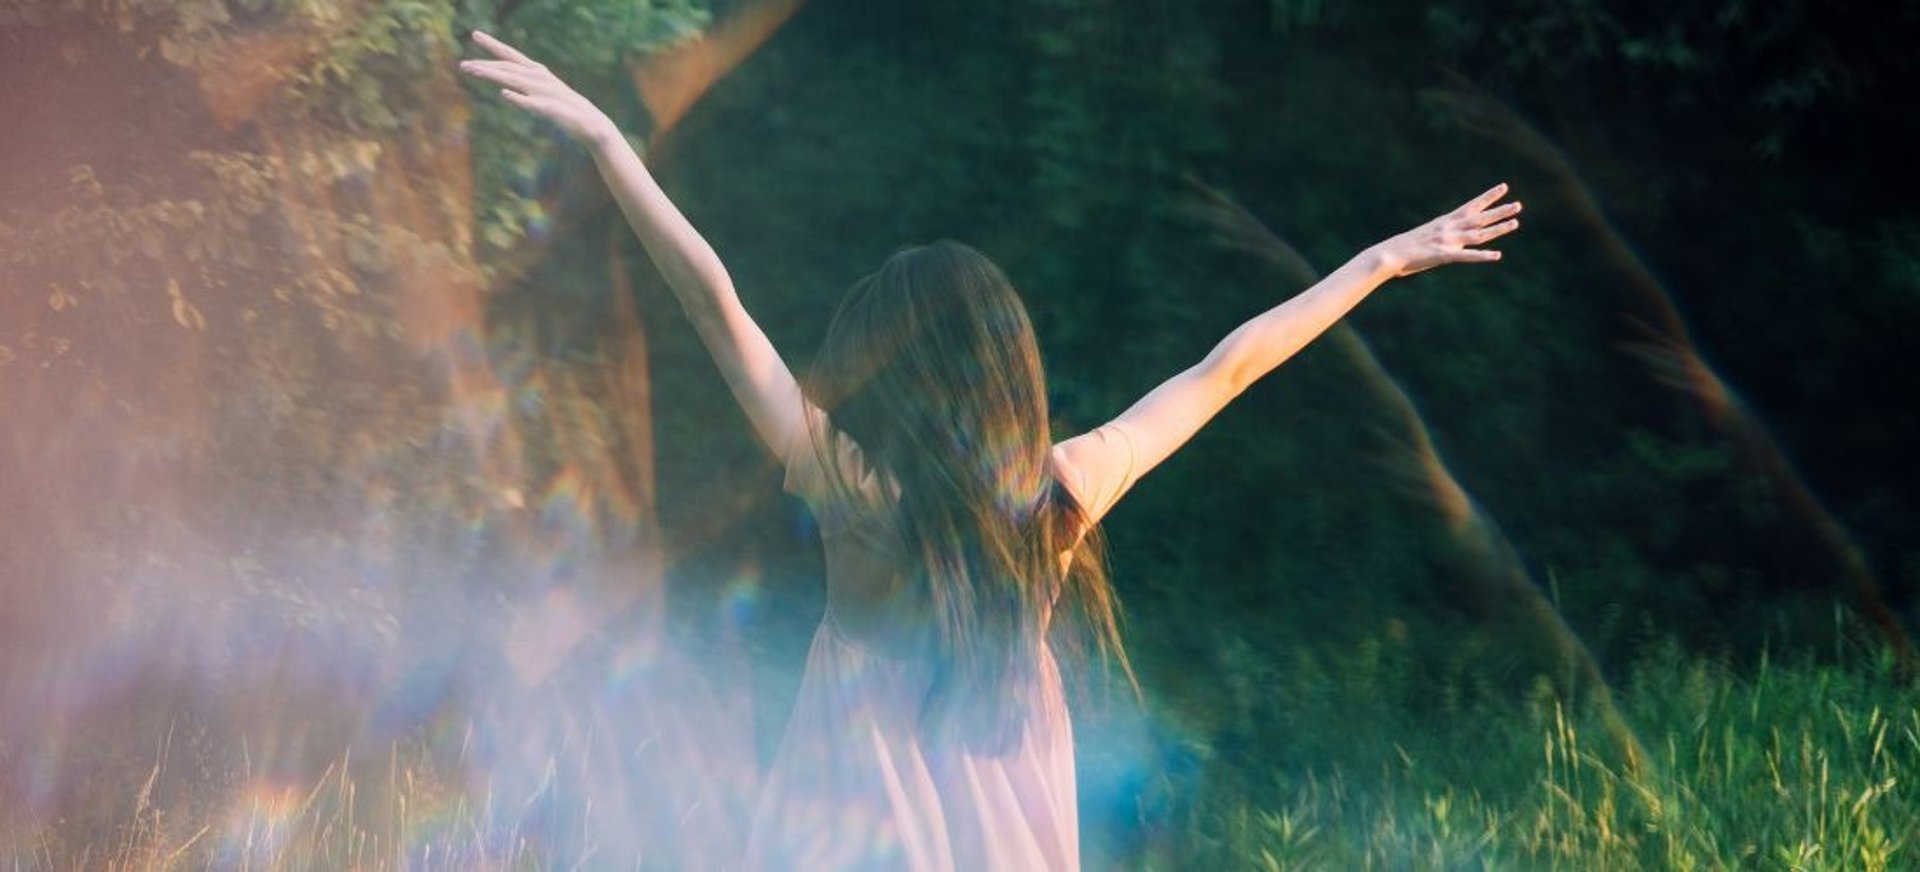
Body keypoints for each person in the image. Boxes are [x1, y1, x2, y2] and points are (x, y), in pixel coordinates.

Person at [459, 29, 1521, 871]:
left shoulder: (848, 491)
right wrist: (1381, 259)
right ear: (1008, 374)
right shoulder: (1061, 497)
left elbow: (714, 304)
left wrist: (609, 143)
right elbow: (1225, 367)